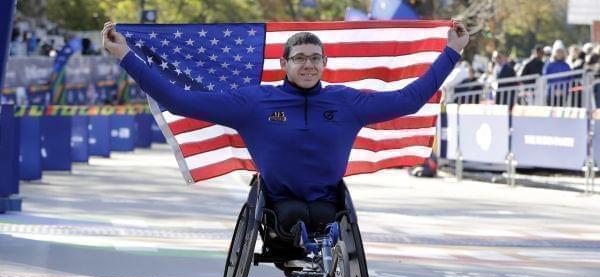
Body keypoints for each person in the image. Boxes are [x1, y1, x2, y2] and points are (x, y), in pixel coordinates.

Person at [102, 20, 469, 239]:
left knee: (325, 220)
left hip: (328, 200)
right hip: (279, 205)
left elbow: (409, 99)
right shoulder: (254, 103)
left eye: (314, 59)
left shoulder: (347, 102)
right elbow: (179, 100)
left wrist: (451, 52)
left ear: (325, 63)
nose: (307, 65)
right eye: (299, 58)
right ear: (284, 63)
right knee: (295, 217)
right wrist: (125, 56)